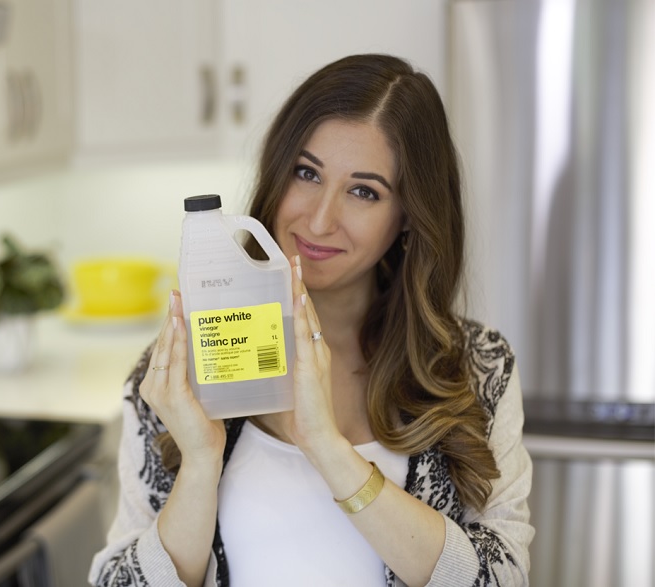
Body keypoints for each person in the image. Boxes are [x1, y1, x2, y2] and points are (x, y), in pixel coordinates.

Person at [89, 54, 534, 587]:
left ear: (411, 214)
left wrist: (327, 448)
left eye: (363, 191)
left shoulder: (474, 368)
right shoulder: (176, 377)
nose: (320, 220)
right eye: (307, 173)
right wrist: (200, 465)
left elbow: (502, 577)